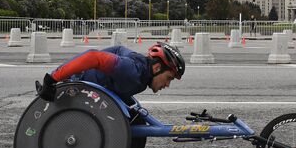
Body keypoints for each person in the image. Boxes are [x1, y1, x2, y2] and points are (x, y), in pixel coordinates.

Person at [35, 42, 186, 103]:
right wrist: (52, 79)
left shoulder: (141, 72)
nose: (167, 84)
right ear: (157, 68)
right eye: (169, 78)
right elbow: (93, 57)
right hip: (77, 89)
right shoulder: (132, 71)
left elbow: (119, 49)